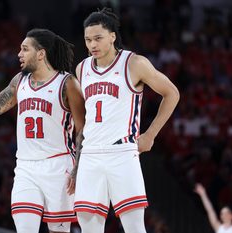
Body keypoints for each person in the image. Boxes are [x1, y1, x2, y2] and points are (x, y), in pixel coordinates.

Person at [0, 28, 85, 233]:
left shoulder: (67, 83)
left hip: (59, 167)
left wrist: (78, 170)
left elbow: (82, 130)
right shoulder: (20, 81)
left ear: (41, 53)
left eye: (25, 49)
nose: (19, 54)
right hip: (26, 168)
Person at [71, 8, 180, 233]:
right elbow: (86, 121)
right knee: (88, 226)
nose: (92, 45)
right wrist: (77, 163)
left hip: (122, 153)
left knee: (134, 227)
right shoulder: (82, 68)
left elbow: (172, 93)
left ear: (112, 36)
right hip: (90, 154)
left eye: (98, 38)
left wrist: (150, 134)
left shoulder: (134, 63)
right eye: (88, 39)